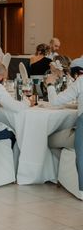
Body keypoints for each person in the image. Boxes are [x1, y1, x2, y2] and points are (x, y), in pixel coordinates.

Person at [45, 58, 83, 191]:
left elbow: (54, 101)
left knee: (48, 139)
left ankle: (59, 175)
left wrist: (50, 84)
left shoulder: (80, 82)